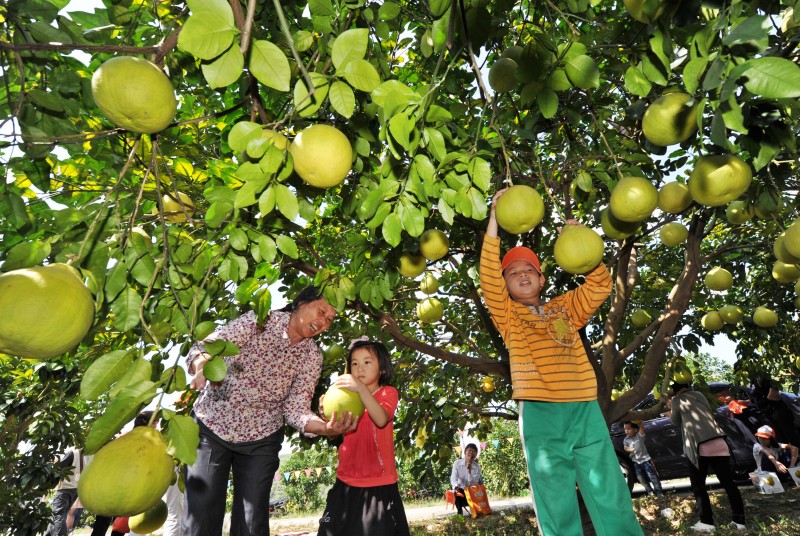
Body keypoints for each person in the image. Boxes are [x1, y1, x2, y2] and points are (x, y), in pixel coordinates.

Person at [479, 187, 643, 536]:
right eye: (512, 273)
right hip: (541, 414)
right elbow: (488, 279)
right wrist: (494, 220)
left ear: (541, 278)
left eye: (529, 270)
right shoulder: (508, 316)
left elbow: (600, 285)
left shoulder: (565, 308)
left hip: (584, 409)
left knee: (609, 493)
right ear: (505, 285)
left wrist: (578, 238)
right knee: (556, 501)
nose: (521, 274)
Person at [182, 286, 357, 536]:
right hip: (212, 426)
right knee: (200, 519)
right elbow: (207, 346)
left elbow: (296, 409)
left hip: (261, 439)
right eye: (321, 311)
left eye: (329, 319)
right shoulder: (258, 321)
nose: (323, 322)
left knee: (252, 525)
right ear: (300, 304)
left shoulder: (312, 357)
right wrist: (201, 365)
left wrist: (326, 428)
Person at [317, 337, 409, 536]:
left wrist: (360, 390)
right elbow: (335, 436)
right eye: (355, 364)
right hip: (345, 483)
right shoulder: (345, 397)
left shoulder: (387, 393)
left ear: (382, 369)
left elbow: (381, 419)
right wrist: (327, 418)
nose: (360, 368)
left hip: (378, 486)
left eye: (367, 362)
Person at [669, 382, 746, 532]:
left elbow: (675, 421)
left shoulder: (677, 400)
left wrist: (671, 406)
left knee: (698, 486)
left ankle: (706, 522)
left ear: (676, 392)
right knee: (728, 483)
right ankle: (739, 521)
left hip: (700, 446)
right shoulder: (700, 395)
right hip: (719, 441)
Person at [44, 448, 87, 536]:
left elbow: (58, 470)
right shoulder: (88, 456)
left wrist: (47, 484)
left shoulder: (72, 453)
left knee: (58, 515)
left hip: (65, 488)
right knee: (60, 515)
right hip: (75, 488)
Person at [623, 421, 664, 497]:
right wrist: (632, 449)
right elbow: (625, 448)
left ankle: (659, 492)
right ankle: (649, 491)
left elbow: (641, 427)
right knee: (640, 477)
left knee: (652, 476)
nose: (626, 431)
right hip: (636, 461)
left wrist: (640, 423)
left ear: (635, 430)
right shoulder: (626, 440)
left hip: (645, 460)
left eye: (628, 429)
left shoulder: (639, 436)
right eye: (625, 429)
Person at [450, 443, 483, 516]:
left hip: (471, 491)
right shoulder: (457, 463)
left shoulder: (477, 467)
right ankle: (459, 512)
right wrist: (456, 486)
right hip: (460, 489)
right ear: (465, 451)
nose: (471, 453)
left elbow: (474, 483)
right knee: (455, 491)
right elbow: (453, 478)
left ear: (476, 454)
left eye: (474, 451)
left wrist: (469, 471)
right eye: (469, 450)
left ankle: (475, 510)